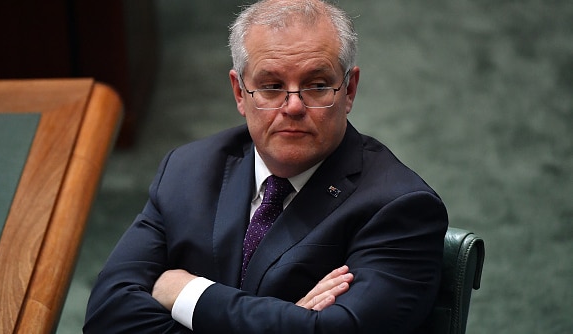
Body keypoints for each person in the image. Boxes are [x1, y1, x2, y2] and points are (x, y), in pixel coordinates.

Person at [83, 0, 448, 333]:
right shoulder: (186, 170)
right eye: (272, 86)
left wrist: (189, 293)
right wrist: (291, 320)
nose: (292, 106)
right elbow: (106, 316)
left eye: (317, 85)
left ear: (349, 89)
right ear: (240, 93)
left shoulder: (400, 207)